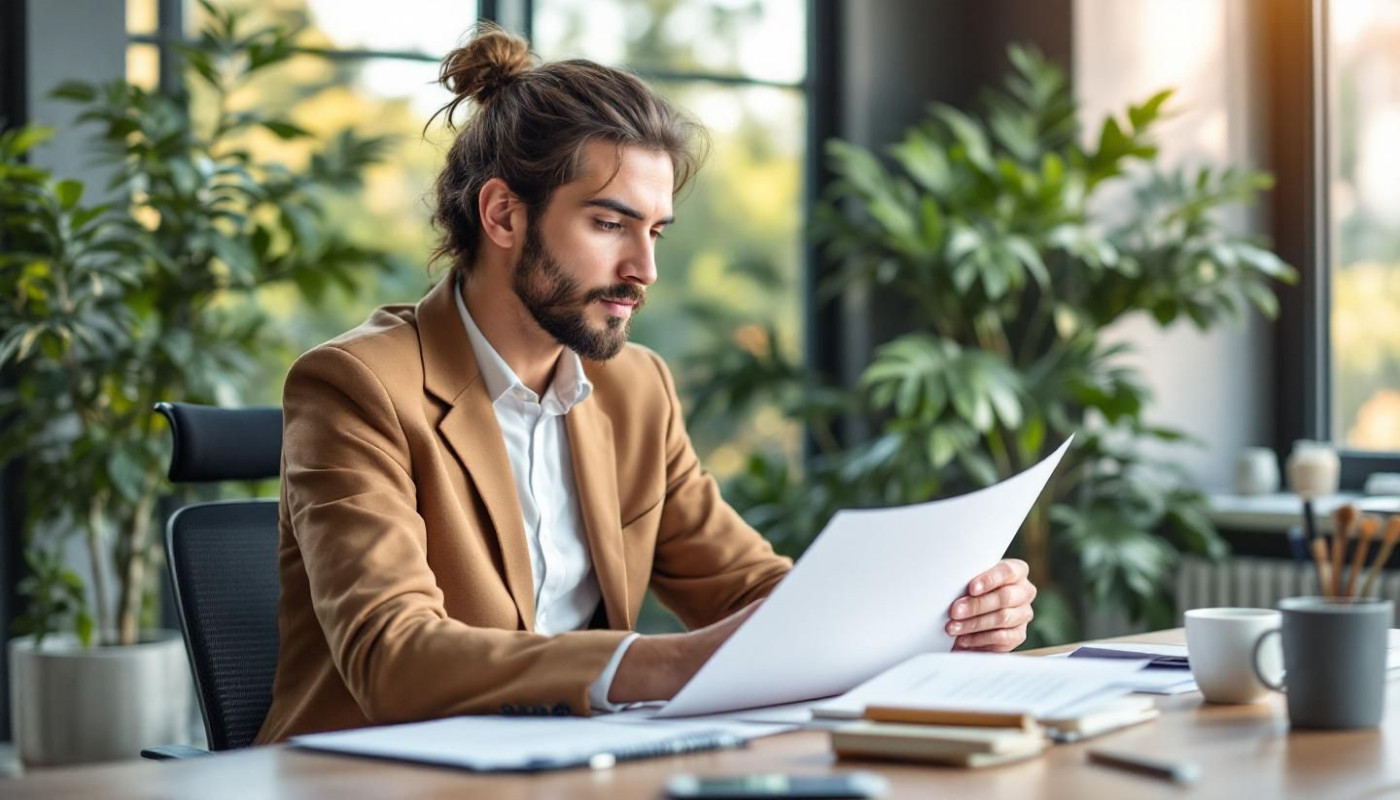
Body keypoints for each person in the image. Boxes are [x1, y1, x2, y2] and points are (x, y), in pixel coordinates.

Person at [254, 24, 1037, 744]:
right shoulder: (356, 385)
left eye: (654, 231)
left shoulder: (634, 388)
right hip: (374, 778)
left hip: (577, 769)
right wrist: (669, 664)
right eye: (608, 224)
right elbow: (395, 660)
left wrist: (939, 616)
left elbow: (748, 591)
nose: (645, 271)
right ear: (502, 216)